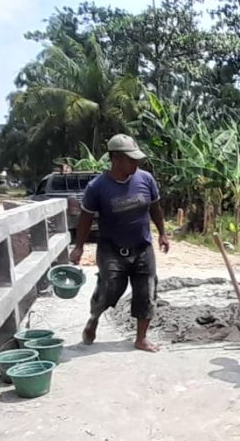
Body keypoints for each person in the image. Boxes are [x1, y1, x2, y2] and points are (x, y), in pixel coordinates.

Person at [69, 134, 171, 352]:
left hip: (142, 246)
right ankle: (94, 317)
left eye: (137, 159)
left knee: (147, 291)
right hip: (111, 249)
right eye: (131, 159)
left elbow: (155, 208)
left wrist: (163, 233)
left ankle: (141, 338)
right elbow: (85, 218)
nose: (136, 163)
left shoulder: (146, 179)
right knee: (110, 288)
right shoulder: (97, 187)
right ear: (115, 158)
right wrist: (78, 246)